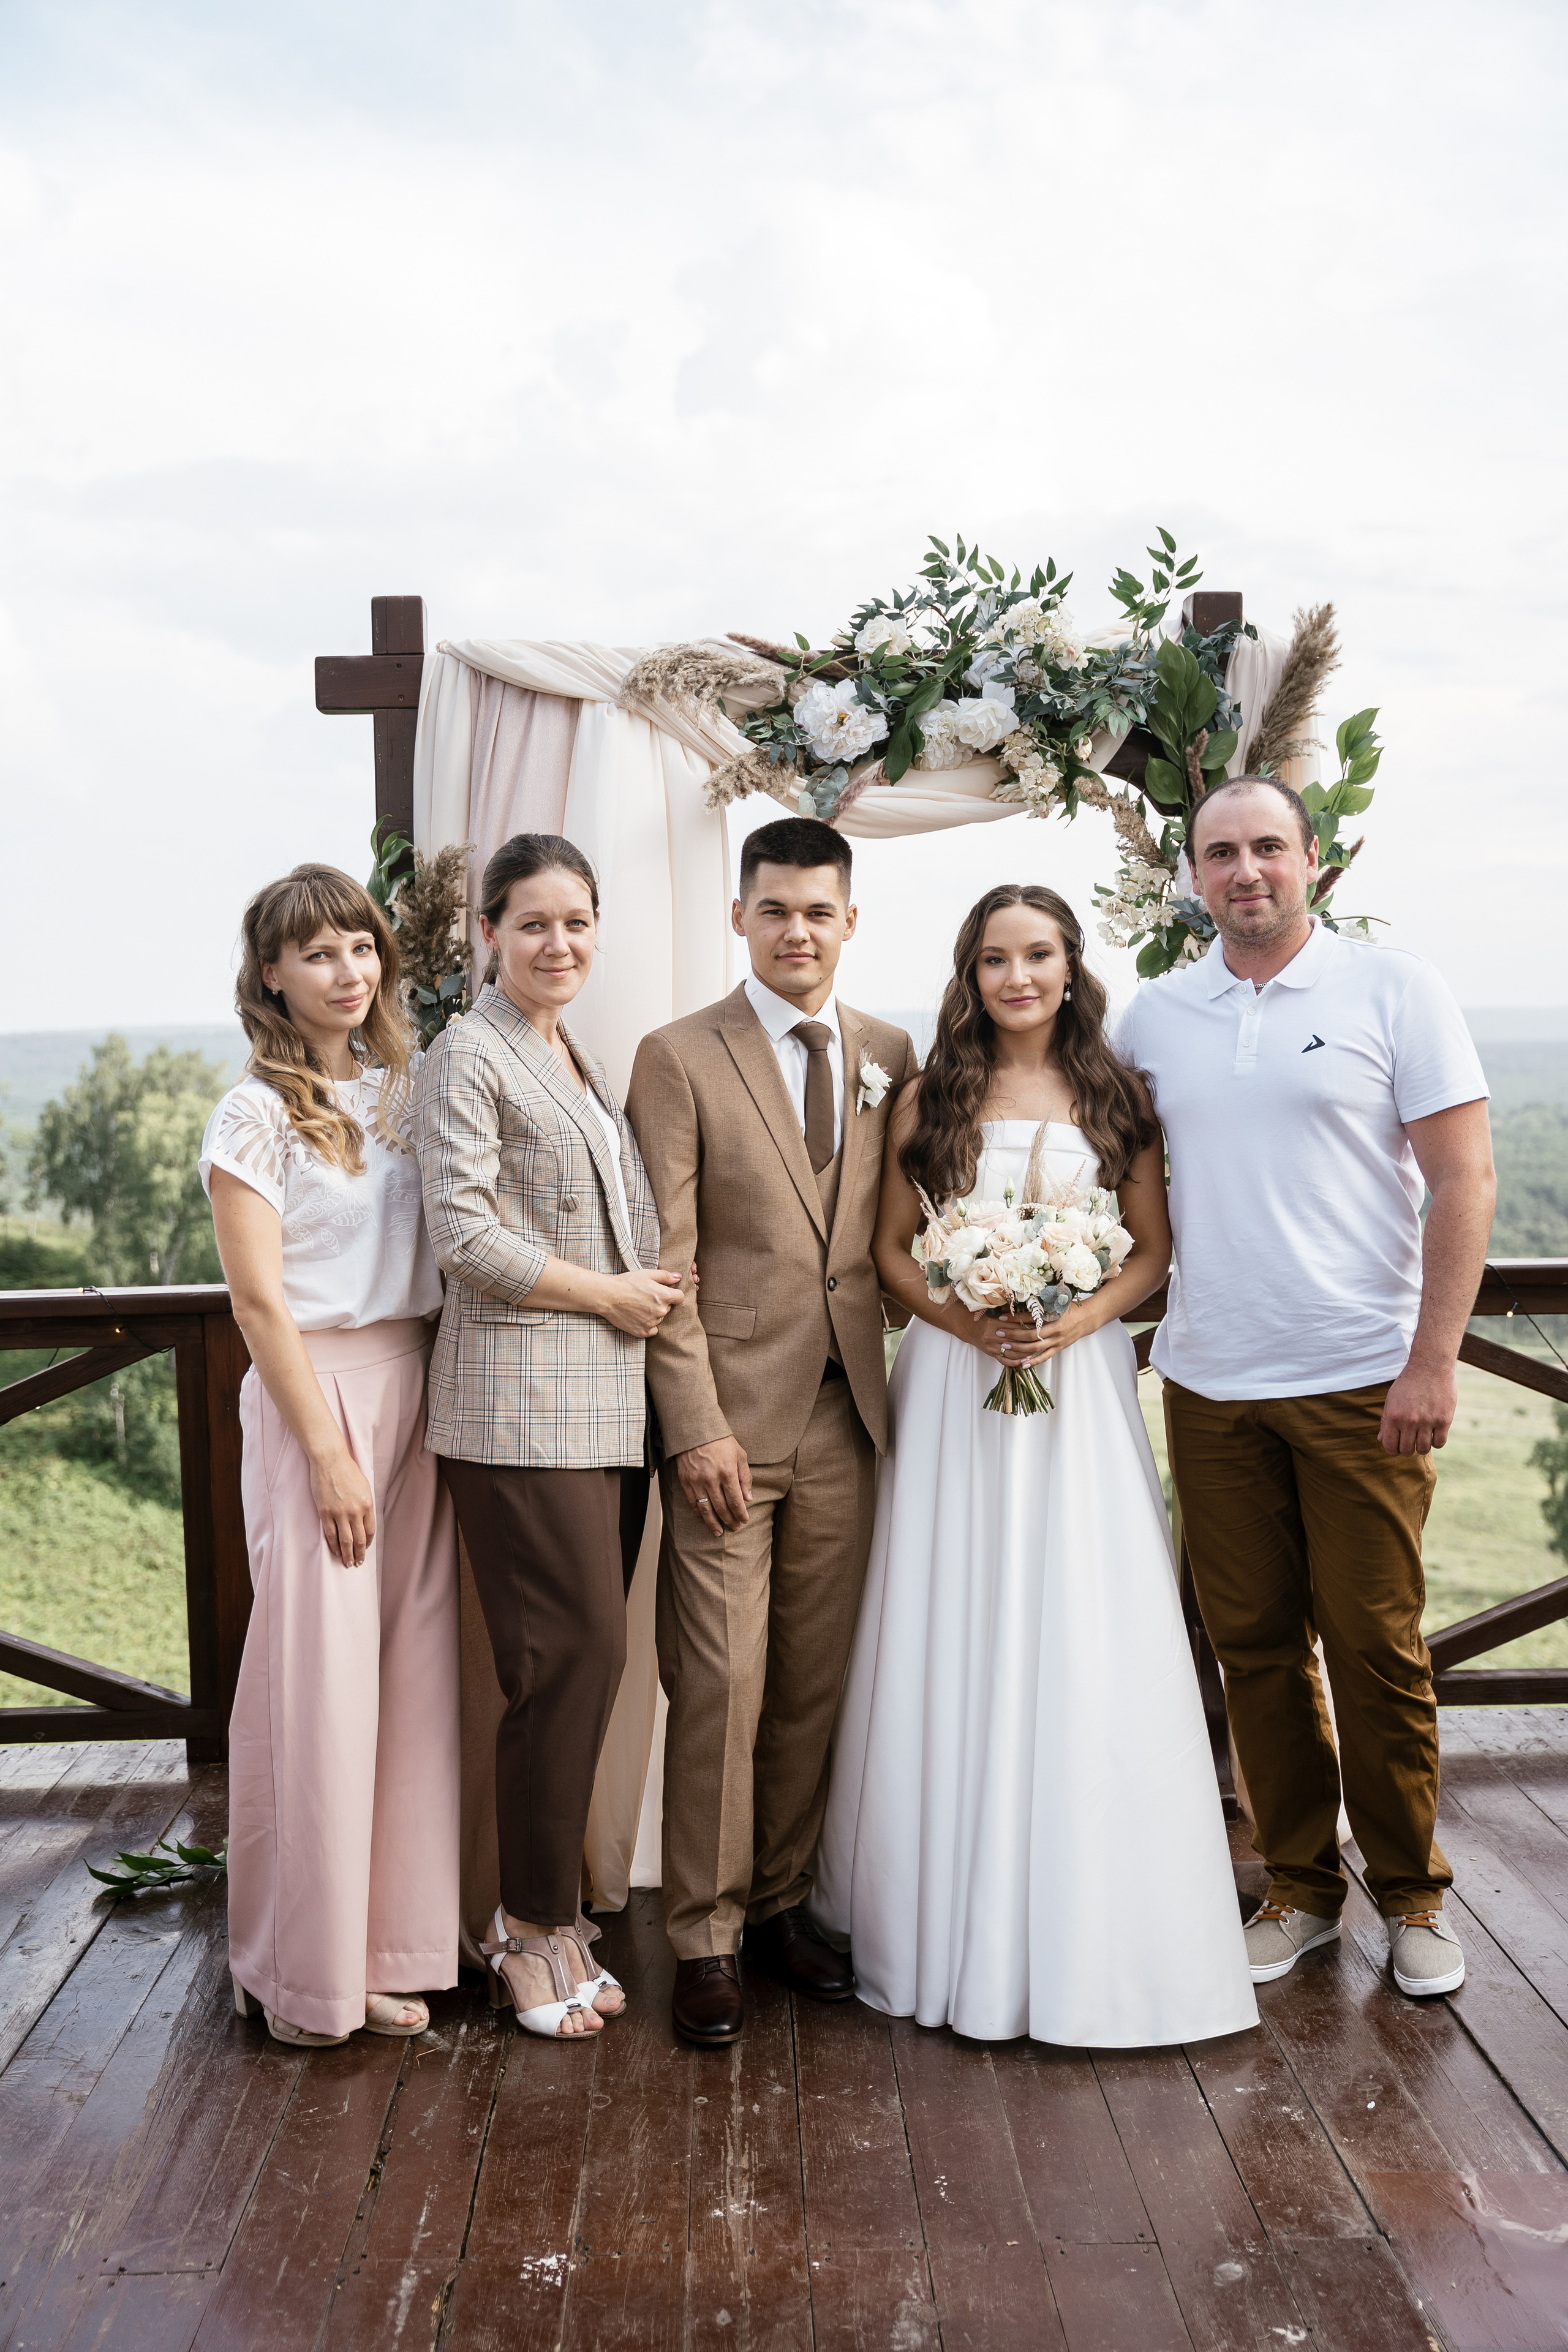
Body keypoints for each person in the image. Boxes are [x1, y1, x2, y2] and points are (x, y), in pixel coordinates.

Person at [810, 883, 1258, 2045]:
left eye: (1039, 955)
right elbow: (891, 1250)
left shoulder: (1116, 1093)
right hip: (957, 1382)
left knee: (1083, 1607)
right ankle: (935, 1907)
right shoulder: (931, 1095)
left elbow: (1152, 1250)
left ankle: (1094, 1900)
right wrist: (968, 1320)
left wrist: (1076, 1318)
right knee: (951, 1606)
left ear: (1071, 966)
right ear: (970, 973)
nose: (1018, 978)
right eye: (996, 959)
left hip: (1080, 1380)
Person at [1118, 776, 1494, 1999]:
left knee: (1376, 1648)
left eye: (1267, 848)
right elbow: (1094, 1167)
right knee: (1254, 1651)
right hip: (1209, 1384)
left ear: (1313, 859)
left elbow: (1465, 1180)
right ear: (1191, 875)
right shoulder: (1155, 1015)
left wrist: (1430, 1359)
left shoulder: (1394, 990)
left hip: (1361, 1381)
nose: (1246, 872)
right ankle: (1300, 1890)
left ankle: (1413, 1897)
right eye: (1221, 853)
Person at [625, 816, 919, 2047]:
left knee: (810, 1682)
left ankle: (781, 1906)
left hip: (850, 1415)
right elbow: (664, 1260)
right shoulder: (677, 1056)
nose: (796, 932)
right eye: (774, 910)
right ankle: (701, 1934)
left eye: (817, 912)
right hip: (729, 1428)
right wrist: (693, 1426)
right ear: (738, 918)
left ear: (850, 922)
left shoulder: (890, 1051)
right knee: (721, 1683)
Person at [416, 832, 676, 2041]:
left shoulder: (575, 1052)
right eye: (532, 923)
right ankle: (524, 1930)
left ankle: (556, 1913)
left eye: (576, 922)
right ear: (488, 933)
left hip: (604, 1409)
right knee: (566, 1663)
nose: (558, 943)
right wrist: (611, 1295)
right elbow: (465, 1239)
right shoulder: (466, 1056)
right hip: (516, 1412)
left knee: (587, 1666)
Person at [203, 864, 459, 2048]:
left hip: (420, 1388)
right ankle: (303, 1976)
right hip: (321, 1398)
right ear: (272, 974)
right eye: (317, 953)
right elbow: (258, 1304)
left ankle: (388, 1947)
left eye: (360, 946)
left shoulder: (407, 1090)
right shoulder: (253, 1113)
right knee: (319, 1686)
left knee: (410, 1681)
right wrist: (327, 1452)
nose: (347, 970)